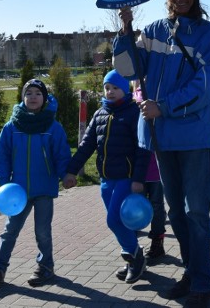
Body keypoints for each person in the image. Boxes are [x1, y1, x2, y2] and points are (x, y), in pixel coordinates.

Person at [114, 0, 210, 308]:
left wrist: (165, 106)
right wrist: (125, 31)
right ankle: (191, 273)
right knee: (176, 211)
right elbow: (129, 69)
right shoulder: (153, 30)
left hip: (192, 137)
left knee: (195, 211)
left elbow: (206, 86)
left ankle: (203, 283)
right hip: (159, 138)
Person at [63, 70, 151, 284]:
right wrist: (72, 171)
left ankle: (134, 255)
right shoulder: (99, 114)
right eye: (107, 88)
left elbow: (143, 149)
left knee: (114, 220)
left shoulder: (134, 113)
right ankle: (133, 256)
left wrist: (138, 178)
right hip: (106, 179)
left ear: (125, 89)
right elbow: (86, 145)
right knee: (119, 221)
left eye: (115, 88)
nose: (110, 92)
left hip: (127, 178)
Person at [0, 79, 71, 287]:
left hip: (44, 189)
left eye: (37, 93)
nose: (32, 97)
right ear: (23, 97)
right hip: (17, 192)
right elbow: (1, 155)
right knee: (10, 230)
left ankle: (45, 268)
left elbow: (61, 154)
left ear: (45, 98)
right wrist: (4, 183)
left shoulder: (52, 126)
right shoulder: (12, 126)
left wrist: (66, 175)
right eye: (28, 93)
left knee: (42, 231)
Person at [132, 82, 167, 266]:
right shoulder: (134, 105)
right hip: (137, 169)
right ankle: (132, 246)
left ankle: (157, 241)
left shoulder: (158, 97)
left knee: (157, 206)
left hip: (156, 168)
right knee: (137, 206)